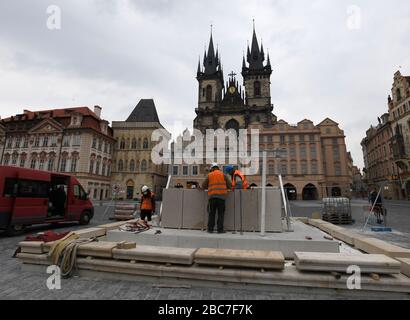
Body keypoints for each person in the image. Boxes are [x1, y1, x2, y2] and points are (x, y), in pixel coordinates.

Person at [202, 163, 232, 234]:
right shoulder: (223, 175)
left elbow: (203, 186)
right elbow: (230, 185)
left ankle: (210, 229)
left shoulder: (209, 175)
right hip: (221, 198)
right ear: (218, 168)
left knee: (211, 214)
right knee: (221, 214)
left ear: (212, 168)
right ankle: (220, 230)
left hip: (212, 197)